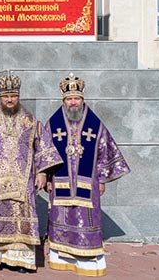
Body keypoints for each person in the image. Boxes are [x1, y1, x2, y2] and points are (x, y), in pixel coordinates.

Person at [0, 70, 62, 273]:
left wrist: (42, 173)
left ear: (18, 96)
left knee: (22, 219)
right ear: (0, 96)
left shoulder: (30, 121)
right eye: (5, 96)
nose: (9, 100)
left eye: (13, 96)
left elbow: (43, 146)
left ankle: (22, 261)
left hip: (24, 181)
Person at [46, 73, 131, 277]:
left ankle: (88, 261)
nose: (73, 102)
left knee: (86, 219)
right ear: (64, 100)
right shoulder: (53, 123)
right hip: (60, 182)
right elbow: (45, 152)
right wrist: (48, 177)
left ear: (82, 99)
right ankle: (61, 257)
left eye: (76, 98)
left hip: (88, 183)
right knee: (61, 217)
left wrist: (102, 178)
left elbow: (105, 150)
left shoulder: (94, 123)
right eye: (69, 99)